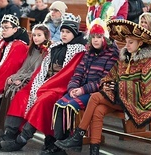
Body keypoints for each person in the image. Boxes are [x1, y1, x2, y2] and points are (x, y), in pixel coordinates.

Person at [54, 19, 151, 155]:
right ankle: (93, 150)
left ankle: (78, 135)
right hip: (120, 98)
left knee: (95, 97)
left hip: (138, 103)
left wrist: (120, 86)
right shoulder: (124, 58)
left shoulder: (149, 62)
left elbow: (149, 90)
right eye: (126, 42)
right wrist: (110, 84)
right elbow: (109, 77)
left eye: (130, 43)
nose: (127, 45)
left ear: (140, 43)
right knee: (98, 111)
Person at [0, 13, 87, 153]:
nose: (64, 35)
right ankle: (9, 135)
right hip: (46, 84)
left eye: (68, 32)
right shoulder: (56, 47)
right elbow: (42, 70)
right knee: (21, 95)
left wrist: (44, 87)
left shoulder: (78, 51)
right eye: (62, 31)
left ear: (74, 32)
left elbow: (67, 75)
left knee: (42, 101)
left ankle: (21, 140)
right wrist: (36, 85)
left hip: (61, 88)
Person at [51, 18, 119, 154]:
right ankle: (58, 144)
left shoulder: (111, 55)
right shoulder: (89, 53)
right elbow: (78, 73)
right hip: (81, 90)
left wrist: (82, 89)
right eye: (93, 37)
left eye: (99, 37)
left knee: (70, 107)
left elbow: (104, 81)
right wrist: (72, 88)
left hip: (95, 92)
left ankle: (74, 141)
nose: (95, 40)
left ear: (104, 38)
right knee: (59, 105)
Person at [0, 23, 51, 134]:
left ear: (46, 36)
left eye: (39, 35)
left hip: (36, 81)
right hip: (25, 77)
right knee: (9, 88)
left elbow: (38, 72)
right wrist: (13, 77)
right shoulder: (32, 50)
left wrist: (23, 80)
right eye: (34, 35)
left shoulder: (46, 52)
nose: (36, 38)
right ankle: (2, 127)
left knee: (17, 91)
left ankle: (14, 130)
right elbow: (24, 68)